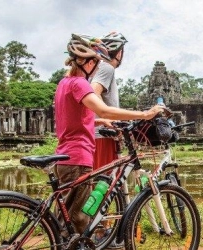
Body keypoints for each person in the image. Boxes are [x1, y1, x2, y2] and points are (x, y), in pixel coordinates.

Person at [54, 33, 164, 234]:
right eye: (95, 62)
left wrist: (97, 120)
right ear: (86, 62)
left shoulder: (63, 83)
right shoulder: (79, 84)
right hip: (78, 157)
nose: (97, 67)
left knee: (66, 216)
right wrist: (145, 114)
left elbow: (71, 118)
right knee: (77, 221)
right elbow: (103, 108)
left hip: (64, 154)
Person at [90, 32, 127, 170]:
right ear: (119, 53)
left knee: (102, 184)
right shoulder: (106, 67)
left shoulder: (96, 68)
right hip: (103, 135)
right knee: (105, 183)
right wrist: (108, 118)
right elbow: (94, 92)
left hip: (97, 134)